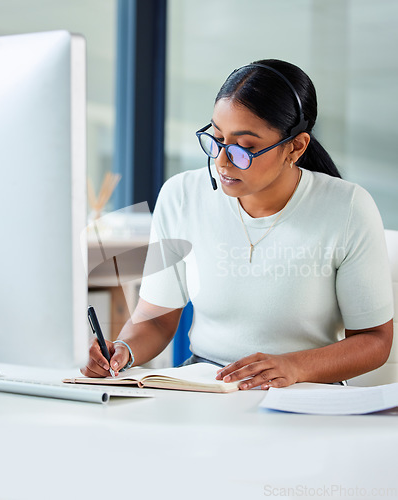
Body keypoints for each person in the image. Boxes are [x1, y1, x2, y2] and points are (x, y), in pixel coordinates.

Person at [82, 59, 394, 390]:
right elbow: (157, 320)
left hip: (303, 392)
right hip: (207, 388)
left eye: (244, 148)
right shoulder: (181, 196)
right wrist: (123, 351)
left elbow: (374, 340)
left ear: (295, 147)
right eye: (216, 138)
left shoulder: (347, 209)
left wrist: (293, 367)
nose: (221, 161)